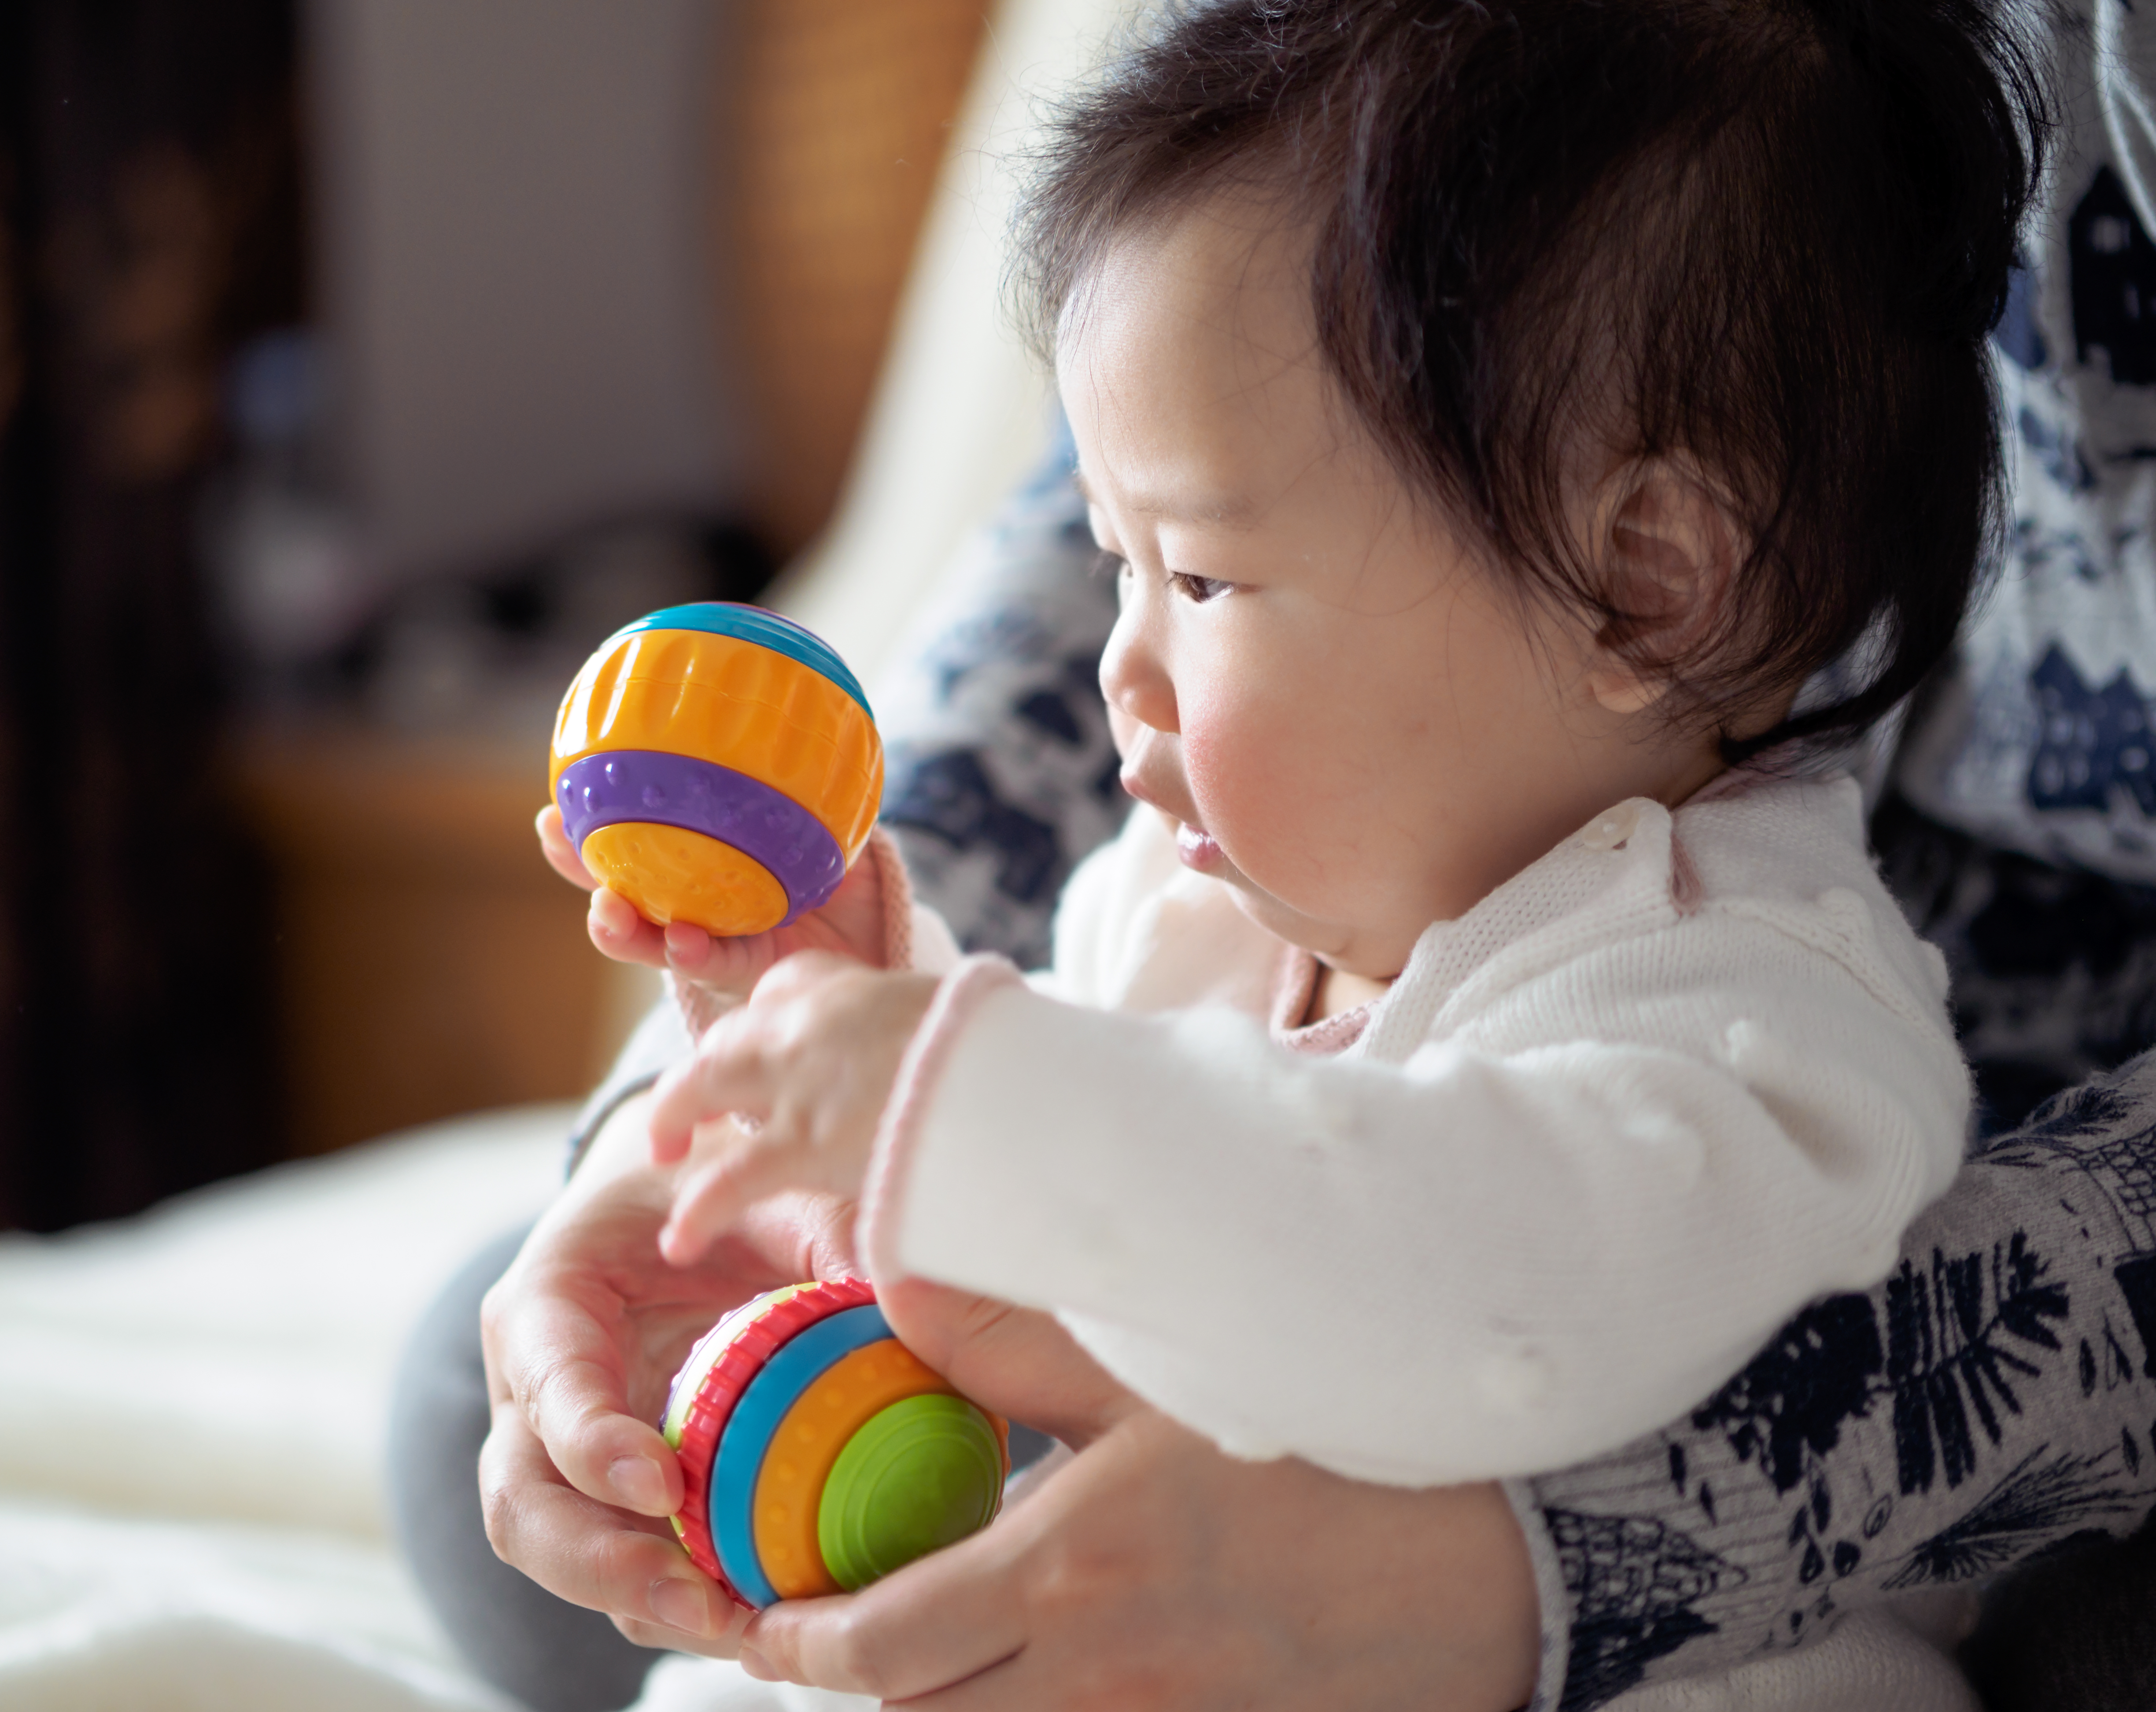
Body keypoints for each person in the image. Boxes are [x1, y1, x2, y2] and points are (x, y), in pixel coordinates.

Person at [404, 7, 2156, 1712]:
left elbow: (1461, 1281)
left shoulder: (1761, 1016)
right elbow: (1052, 1262)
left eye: (1206, 581)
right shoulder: (1209, 907)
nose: (1121, 667)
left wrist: (972, 1098)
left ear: (1644, 586)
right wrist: (820, 1033)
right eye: (1118, 561)